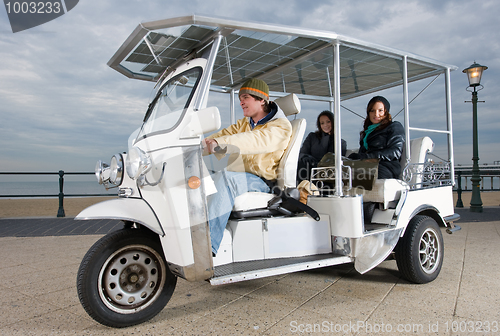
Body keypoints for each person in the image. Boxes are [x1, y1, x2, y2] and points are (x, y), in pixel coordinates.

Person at [203, 78, 292, 255]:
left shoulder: (281, 126)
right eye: (240, 98)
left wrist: (219, 143)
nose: (241, 102)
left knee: (226, 178)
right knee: (203, 178)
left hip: (263, 182)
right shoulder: (244, 124)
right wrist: (195, 146)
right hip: (242, 175)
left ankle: (206, 249)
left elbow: (254, 140)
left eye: (245, 97)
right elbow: (221, 135)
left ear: (261, 99)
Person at [348, 96, 405, 179]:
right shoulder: (367, 132)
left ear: (386, 112)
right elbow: (363, 153)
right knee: (341, 171)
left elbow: (395, 152)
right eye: (372, 111)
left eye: (380, 110)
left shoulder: (394, 126)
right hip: (368, 165)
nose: (376, 114)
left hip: (386, 167)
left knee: (356, 174)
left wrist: (368, 157)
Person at [297, 110, 347, 183]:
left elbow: (334, 161)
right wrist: (308, 158)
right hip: (308, 167)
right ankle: (301, 189)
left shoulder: (340, 142)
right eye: (322, 123)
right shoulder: (312, 137)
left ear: (333, 122)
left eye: (328, 122)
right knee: (302, 163)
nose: (325, 125)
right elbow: (302, 153)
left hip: (326, 172)